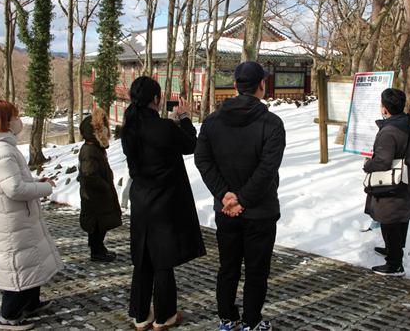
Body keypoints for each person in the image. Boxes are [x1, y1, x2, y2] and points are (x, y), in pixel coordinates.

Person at [195, 61, 286, 331]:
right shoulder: (272, 123)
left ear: (235, 85)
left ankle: (227, 318)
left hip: (227, 211)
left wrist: (226, 197)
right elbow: (267, 169)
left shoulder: (212, 121)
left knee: (228, 267)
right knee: (256, 271)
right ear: (262, 86)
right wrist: (241, 200)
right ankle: (251, 321)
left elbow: (203, 160)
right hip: (259, 210)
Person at [121, 76, 206, 331]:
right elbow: (191, 144)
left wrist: (170, 123)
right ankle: (164, 315)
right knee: (162, 259)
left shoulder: (129, 127)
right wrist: (185, 118)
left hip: (141, 198)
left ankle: (139, 315)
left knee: (143, 257)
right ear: (157, 99)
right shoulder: (164, 128)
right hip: (165, 200)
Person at [0, 100, 64, 331]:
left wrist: (35, 181)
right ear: (4, 120)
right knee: (17, 266)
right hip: (11, 221)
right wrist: (44, 188)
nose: (18, 121)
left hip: (16, 218)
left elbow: (12, 182)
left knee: (31, 262)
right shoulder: (1, 150)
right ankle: (9, 317)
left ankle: (30, 303)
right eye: (14, 116)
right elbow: (15, 189)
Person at [363, 88, 410, 276]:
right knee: (401, 217)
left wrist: (368, 165)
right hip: (408, 177)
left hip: (391, 183)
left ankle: (394, 263)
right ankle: (394, 249)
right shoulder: (409, 123)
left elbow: (382, 161)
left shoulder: (389, 131)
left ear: (385, 108)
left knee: (390, 219)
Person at [78, 108, 122, 262]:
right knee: (96, 224)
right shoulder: (89, 150)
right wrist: (103, 186)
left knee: (101, 223)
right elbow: (89, 173)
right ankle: (96, 250)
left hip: (98, 194)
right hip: (94, 195)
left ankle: (99, 247)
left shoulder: (96, 149)